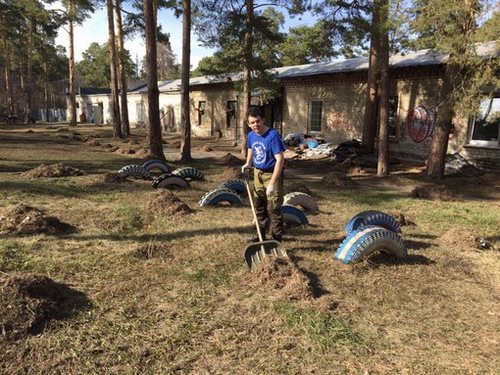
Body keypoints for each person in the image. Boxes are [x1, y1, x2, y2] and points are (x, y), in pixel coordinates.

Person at [242, 106, 286, 242]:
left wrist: (272, 183)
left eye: (258, 121)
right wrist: (248, 163)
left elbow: (280, 160)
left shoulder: (272, 136)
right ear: (248, 124)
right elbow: (251, 148)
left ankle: (276, 240)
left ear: (263, 120)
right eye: (252, 123)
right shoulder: (251, 135)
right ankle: (260, 235)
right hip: (257, 174)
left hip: (271, 174)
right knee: (260, 206)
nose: (256, 125)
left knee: (273, 209)